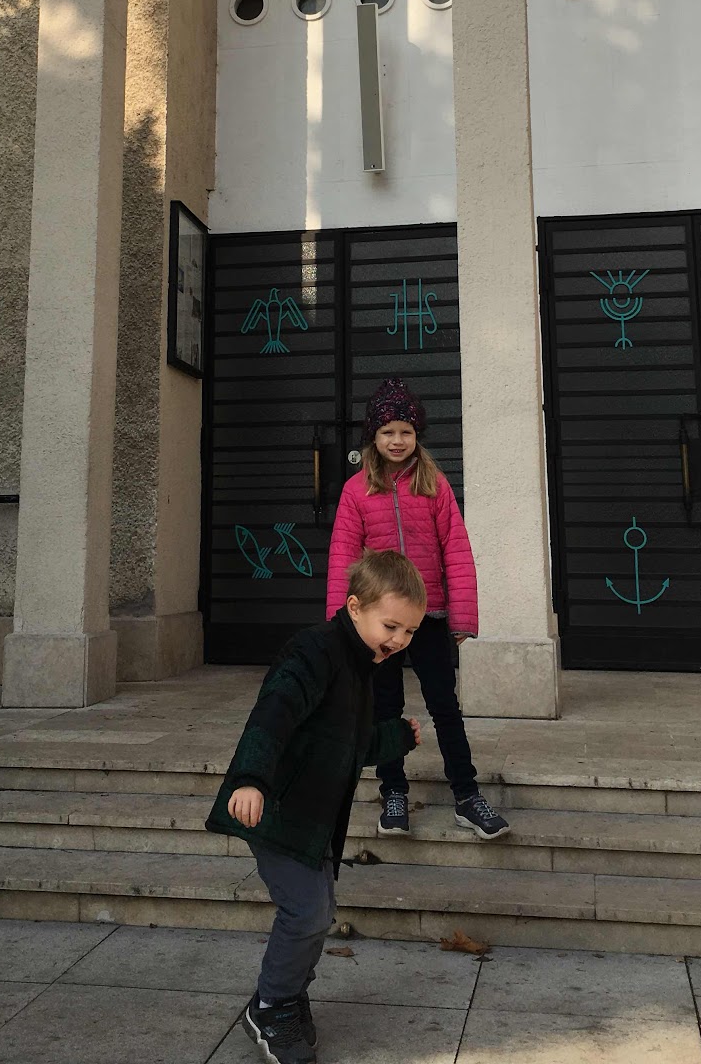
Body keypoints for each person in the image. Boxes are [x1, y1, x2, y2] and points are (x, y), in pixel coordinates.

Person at [207, 549, 426, 1064]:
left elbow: (346, 744)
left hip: (314, 818)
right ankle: (271, 1006)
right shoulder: (315, 651)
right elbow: (274, 714)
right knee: (305, 910)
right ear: (355, 608)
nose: (399, 640)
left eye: (410, 632)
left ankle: (289, 995)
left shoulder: (359, 665)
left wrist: (394, 737)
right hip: (277, 808)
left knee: (319, 910)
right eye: (391, 626)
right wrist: (250, 779)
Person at [326, 376, 510, 842]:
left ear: (417, 435)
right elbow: (343, 557)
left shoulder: (434, 485)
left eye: (405, 431)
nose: (397, 440)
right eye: (387, 431)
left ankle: (467, 795)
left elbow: (457, 550)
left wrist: (462, 615)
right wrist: (342, 625)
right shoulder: (356, 491)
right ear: (373, 436)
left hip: (430, 618)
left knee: (445, 706)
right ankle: (393, 792)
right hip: (378, 623)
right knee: (385, 708)